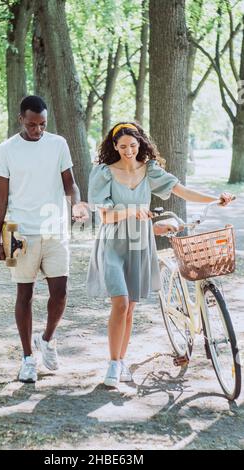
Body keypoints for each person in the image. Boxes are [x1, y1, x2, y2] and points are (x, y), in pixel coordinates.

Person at [87, 122, 234, 387]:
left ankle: (121, 361)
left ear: (140, 143)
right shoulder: (104, 173)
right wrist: (132, 211)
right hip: (112, 245)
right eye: (122, 147)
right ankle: (112, 363)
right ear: (114, 147)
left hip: (140, 244)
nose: (129, 151)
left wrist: (214, 199)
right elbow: (106, 216)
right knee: (119, 303)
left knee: (130, 307)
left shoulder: (149, 170)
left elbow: (180, 190)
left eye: (133, 145)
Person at [0, 95, 88, 383]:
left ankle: (47, 339)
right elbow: (1, 197)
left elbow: (70, 185)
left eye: (42, 124)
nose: (37, 130)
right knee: (25, 295)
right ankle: (27, 359)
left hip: (55, 231)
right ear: (21, 119)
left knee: (60, 292)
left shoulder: (58, 144)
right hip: (22, 233)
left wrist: (77, 205)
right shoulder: (6, 149)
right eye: (32, 124)